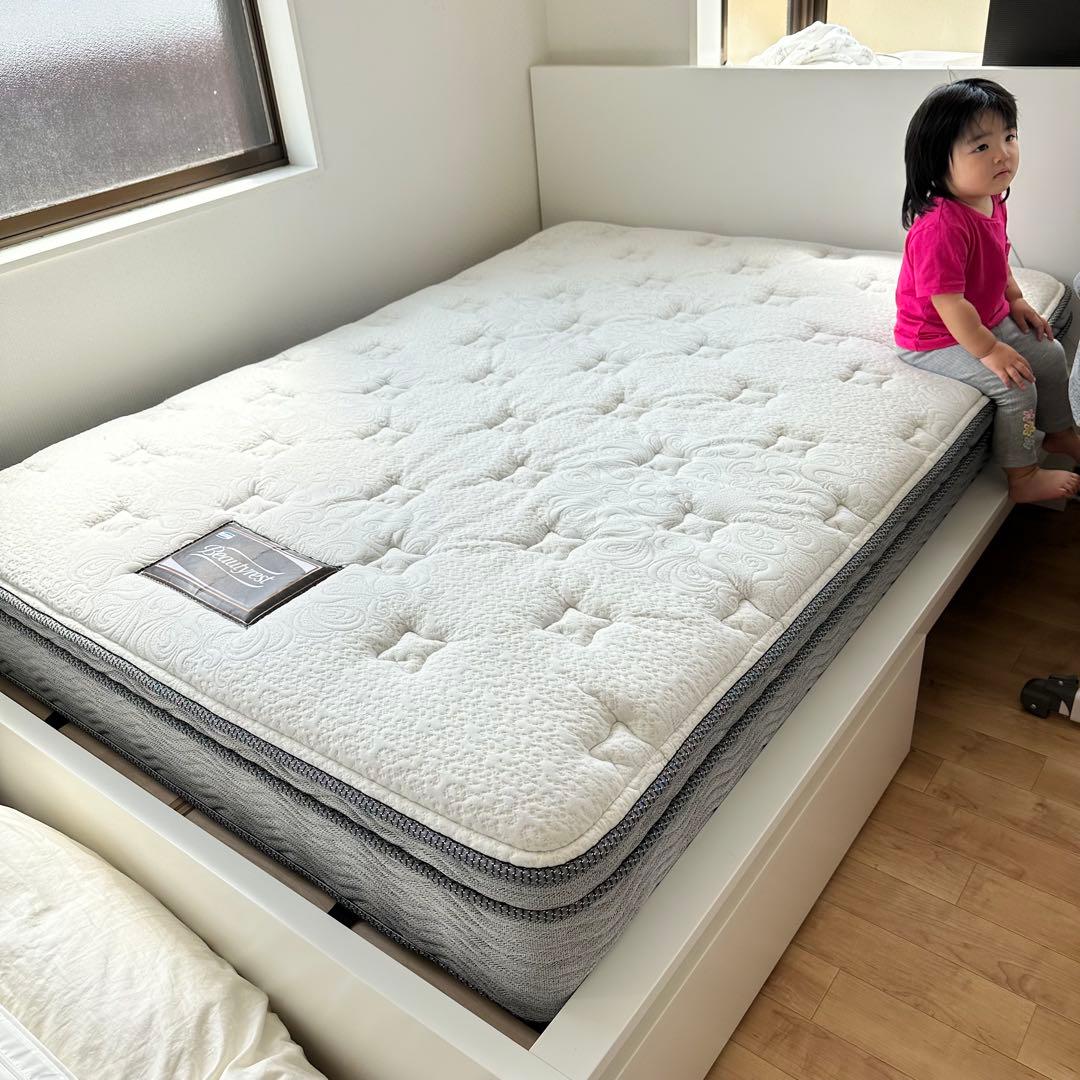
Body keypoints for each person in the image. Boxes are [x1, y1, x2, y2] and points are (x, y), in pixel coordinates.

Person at [894, 77, 1080, 503]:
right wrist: (991, 351)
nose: (1003, 153)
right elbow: (949, 303)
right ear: (937, 161)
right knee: (1018, 386)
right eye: (981, 146)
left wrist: (1015, 300)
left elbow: (999, 258)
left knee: (1050, 354)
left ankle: (1060, 432)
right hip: (936, 337)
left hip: (984, 318)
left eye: (1009, 137)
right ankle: (1023, 474)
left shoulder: (991, 199)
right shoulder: (940, 228)